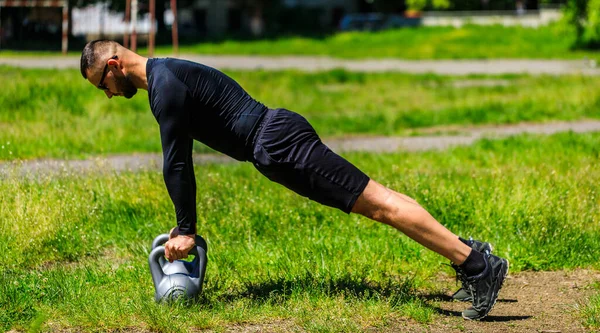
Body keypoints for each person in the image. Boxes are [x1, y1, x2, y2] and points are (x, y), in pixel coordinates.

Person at [80, 40, 508, 320]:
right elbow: (180, 162)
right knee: (379, 199)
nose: (108, 94)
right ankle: (469, 254)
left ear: (114, 65)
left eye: (103, 84)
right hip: (275, 143)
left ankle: (476, 265)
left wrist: (187, 230)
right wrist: (186, 223)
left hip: (279, 143)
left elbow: (176, 163)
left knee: (378, 203)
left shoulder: (164, 86)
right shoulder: (166, 75)